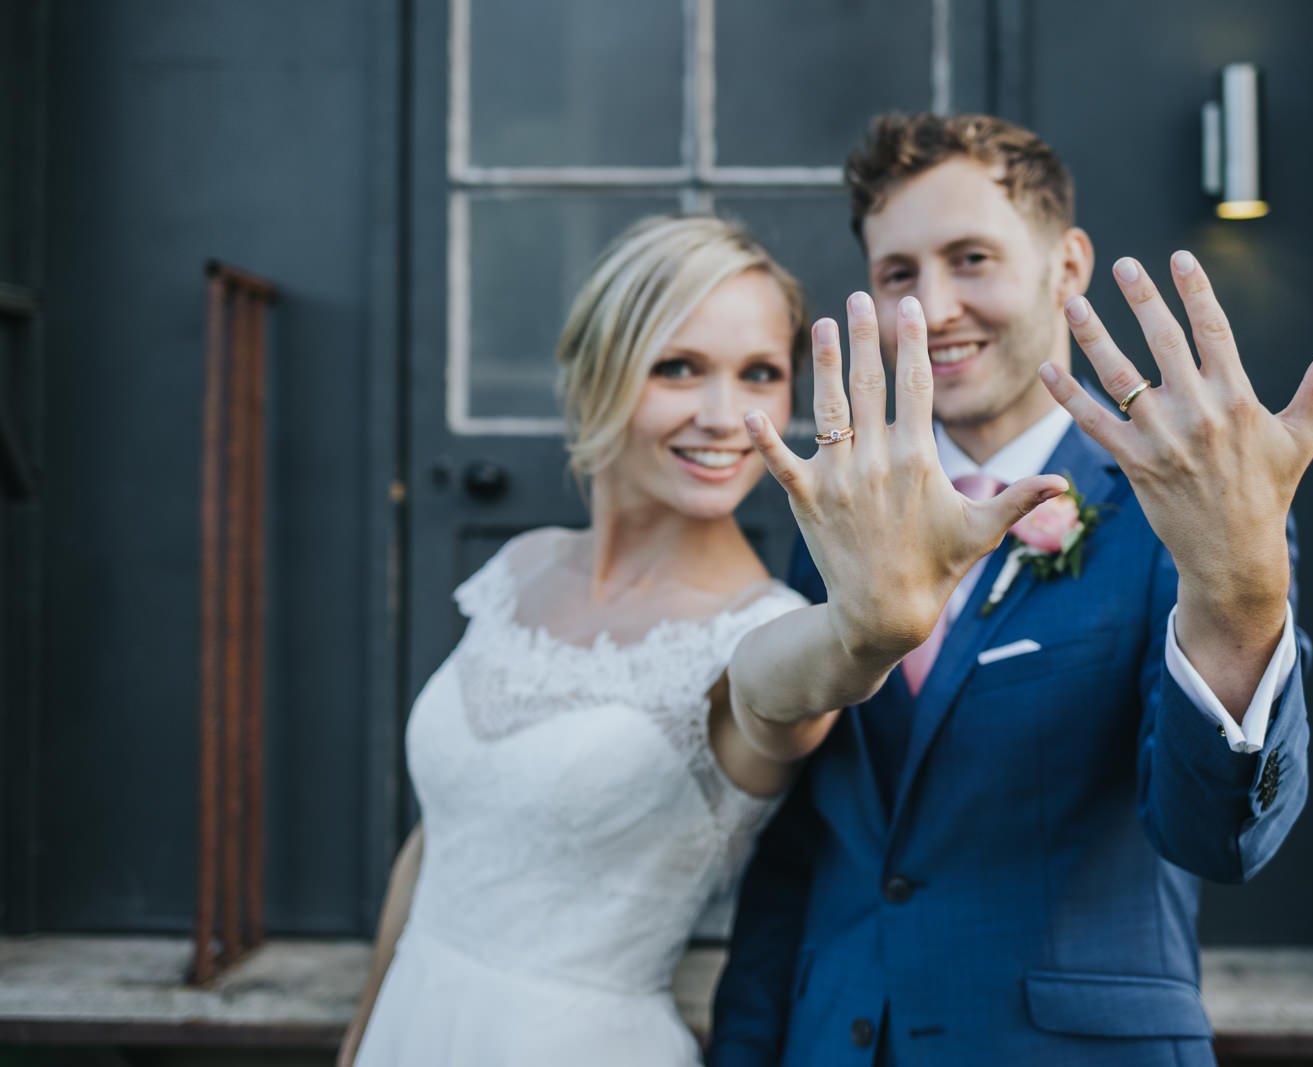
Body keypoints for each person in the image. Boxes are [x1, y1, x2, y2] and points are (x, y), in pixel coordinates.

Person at [709, 113, 1313, 1066]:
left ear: (1067, 266)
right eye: (899, 273)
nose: (931, 306)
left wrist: (1243, 592)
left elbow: (1221, 839)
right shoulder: (837, 505)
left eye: (972, 258)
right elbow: (801, 845)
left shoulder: (1181, 512)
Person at [337, 213, 1063, 1066]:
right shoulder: (520, 566)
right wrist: (361, 1039)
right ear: (596, 369)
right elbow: (437, 841)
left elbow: (787, 686)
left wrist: (864, 632)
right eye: (679, 367)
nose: (726, 416)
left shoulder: (755, 626)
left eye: (760, 374)